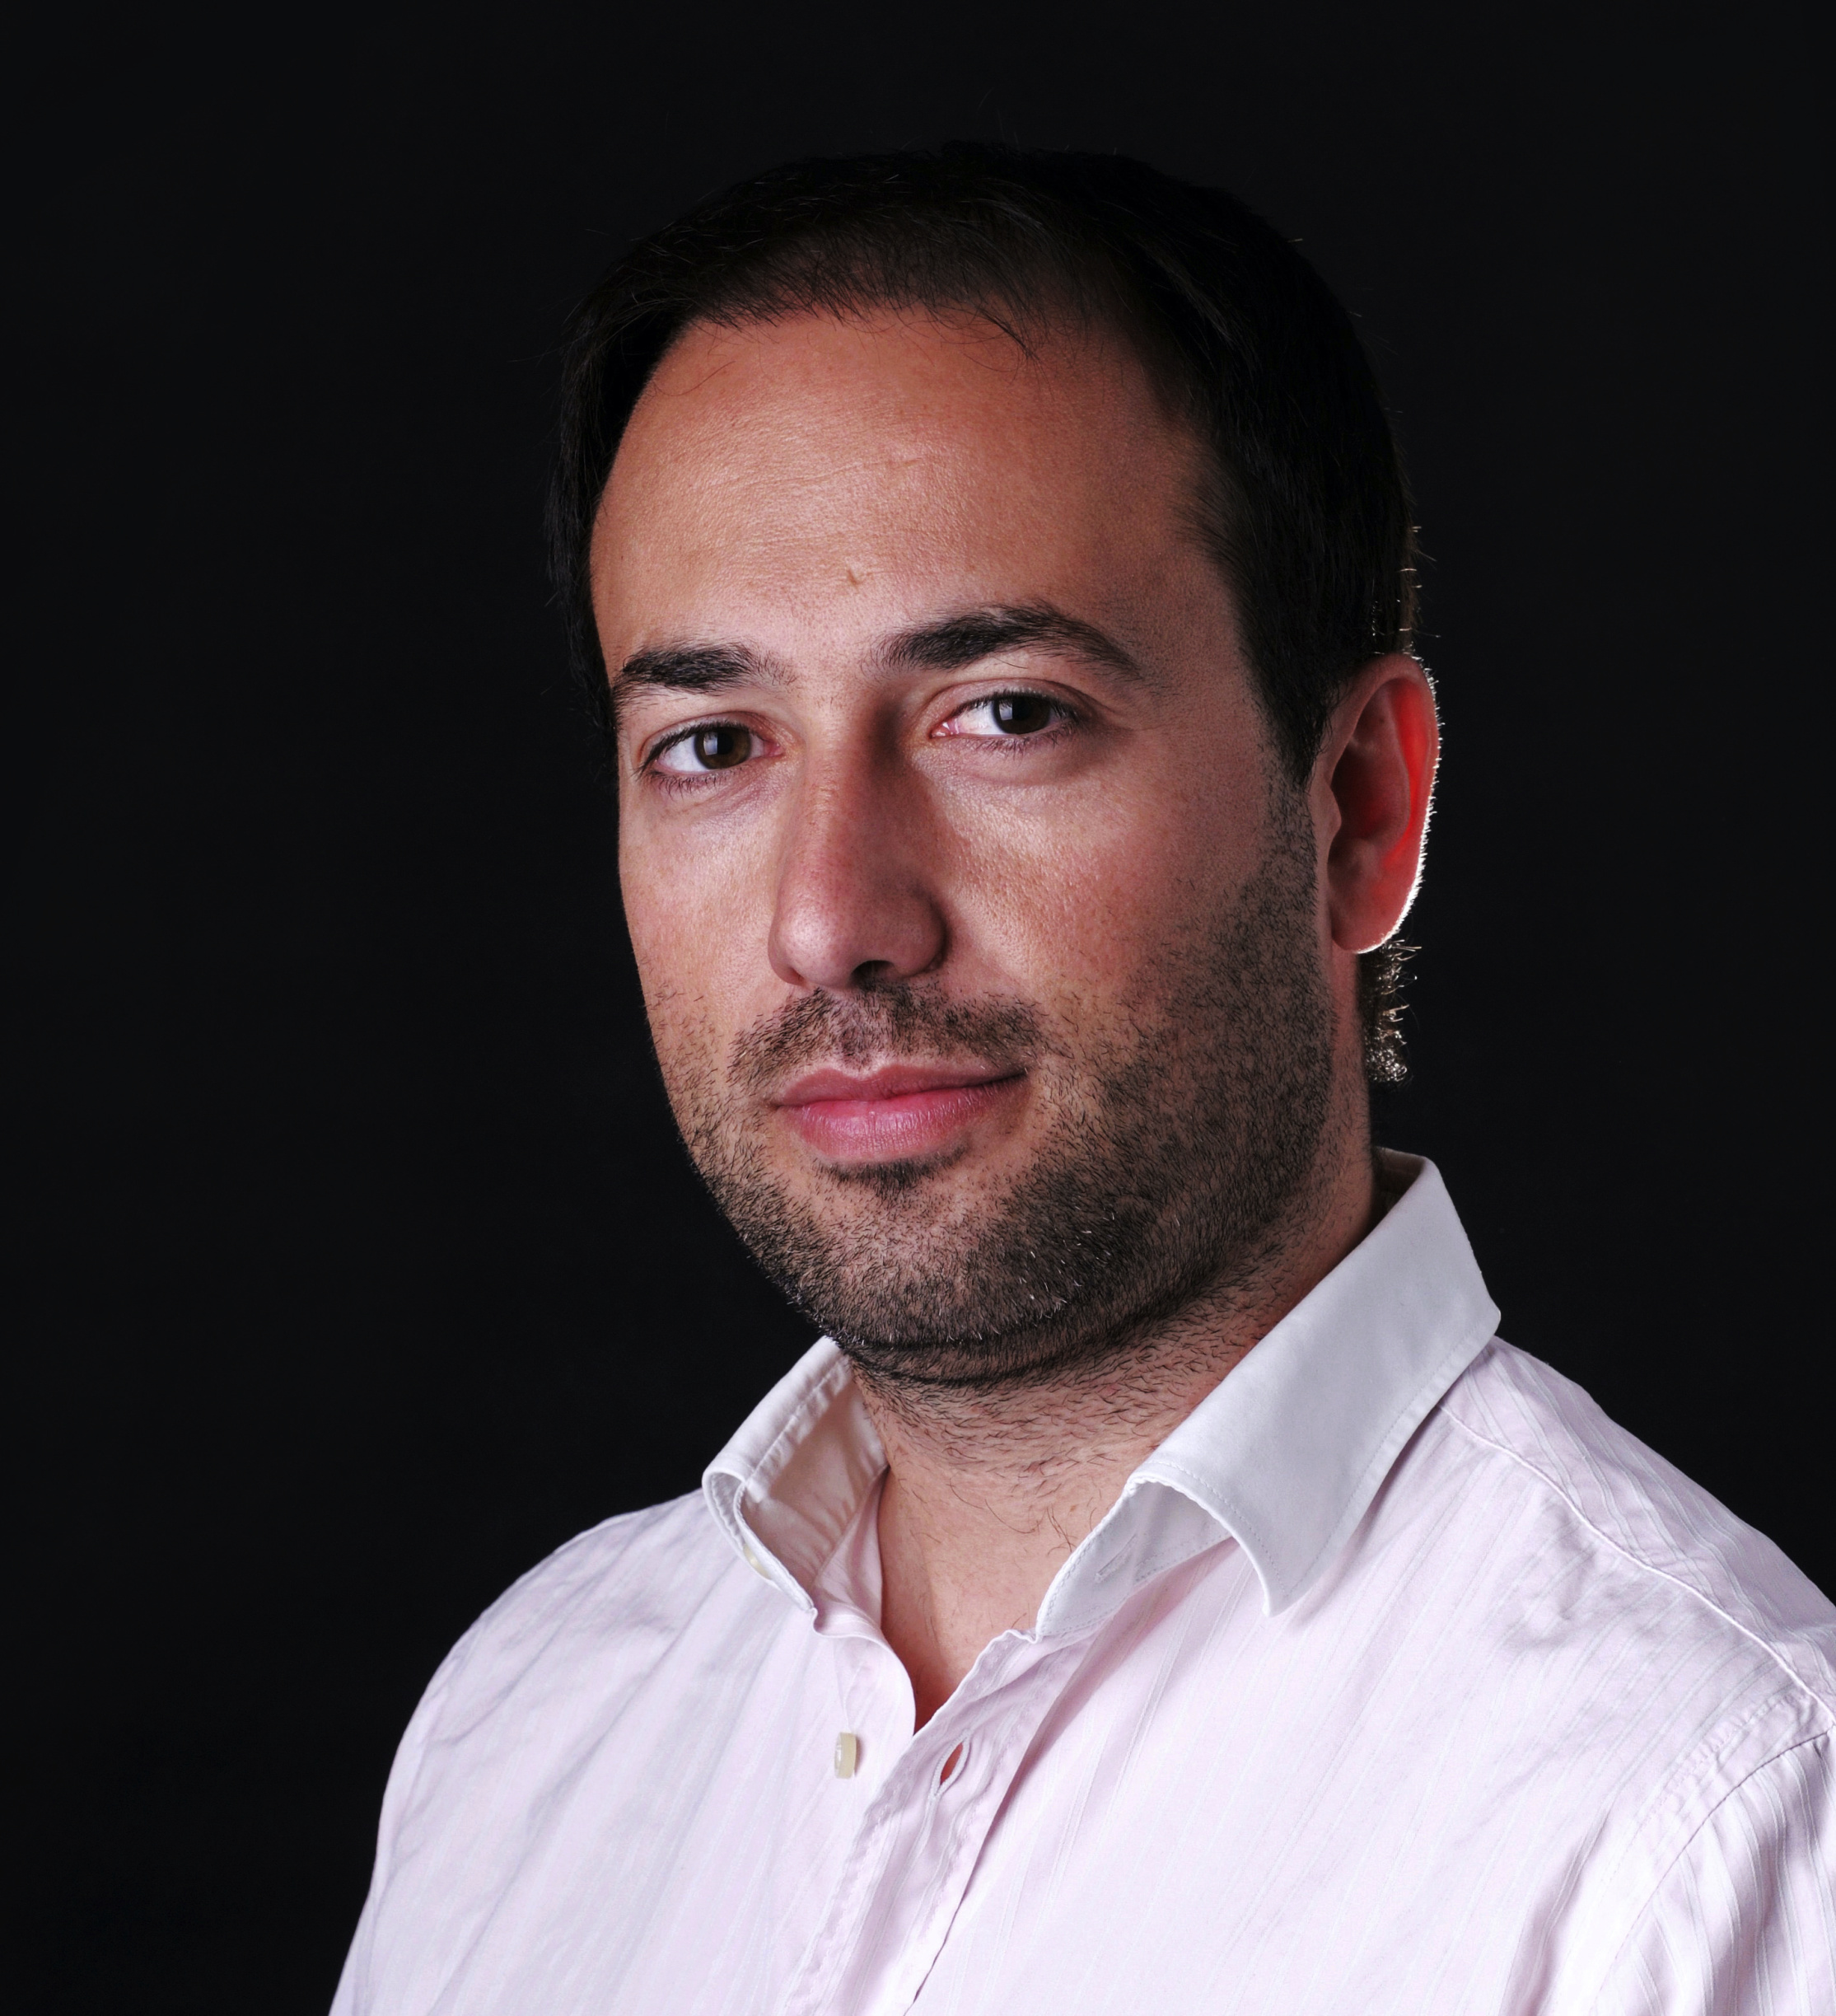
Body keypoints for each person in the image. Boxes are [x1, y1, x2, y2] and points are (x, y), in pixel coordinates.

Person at [331, 147, 1834, 2014]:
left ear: (1358, 808)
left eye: (1006, 715)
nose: (830, 922)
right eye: (713, 744)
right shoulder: (527, 1735)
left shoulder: (1713, 1831)